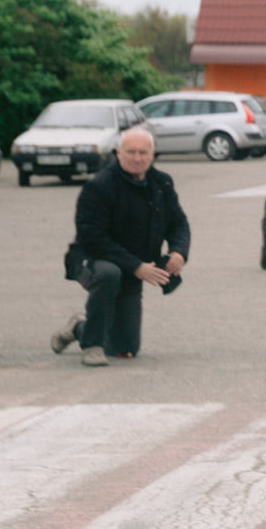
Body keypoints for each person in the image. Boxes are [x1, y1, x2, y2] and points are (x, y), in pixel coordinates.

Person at [51, 127, 189, 366]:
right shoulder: (99, 186)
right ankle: (91, 344)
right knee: (108, 274)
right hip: (92, 259)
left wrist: (178, 251)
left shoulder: (161, 183)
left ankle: (79, 327)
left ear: (152, 154)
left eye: (143, 152)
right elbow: (92, 237)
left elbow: (178, 222)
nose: (138, 158)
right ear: (118, 153)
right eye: (131, 152)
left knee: (125, 349)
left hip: (133, 267)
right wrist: (136, 266)